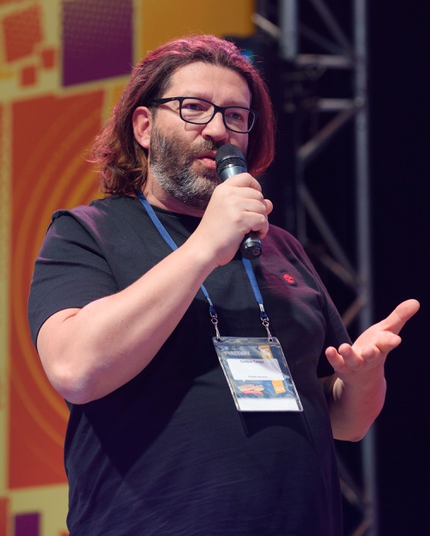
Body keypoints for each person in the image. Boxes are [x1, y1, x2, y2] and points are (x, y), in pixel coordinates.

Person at [28, 34, 419, 535]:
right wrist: (206, 246)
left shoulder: (280, 246)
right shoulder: (87, 232)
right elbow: (76, 369)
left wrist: (362, 381)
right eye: (194, 108)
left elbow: (346, 422)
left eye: (236, 116)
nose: (218, 130)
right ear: (144, 126)